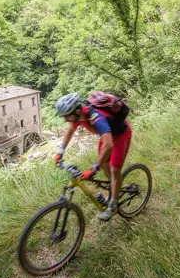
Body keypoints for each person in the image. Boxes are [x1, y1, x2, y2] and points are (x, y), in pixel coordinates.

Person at [53, 93, 132, 221]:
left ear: (77, 111)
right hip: (107, 137)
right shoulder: (79, 116)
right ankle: (114, 189)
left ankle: (114, 205)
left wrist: (94, 168)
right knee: (106, 167)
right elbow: (69, 132)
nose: (65, 119)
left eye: (67, 116)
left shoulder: (96, 118)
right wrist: (60, 152)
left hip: (120, 137)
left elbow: (109, 144)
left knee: (114, 170)